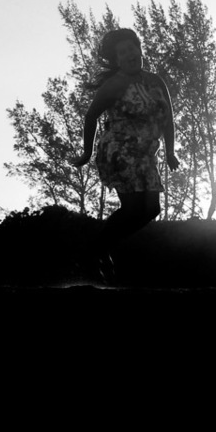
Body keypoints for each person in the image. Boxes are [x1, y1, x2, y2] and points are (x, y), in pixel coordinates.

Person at [70, 28, 180, 283]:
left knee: (151, 209)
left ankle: (100, 247)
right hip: (119, 150)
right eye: (123, 52)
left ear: (139, 50)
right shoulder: (115, 84)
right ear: (117, 59)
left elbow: (168, 119)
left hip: (146, 154)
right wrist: (87, 152)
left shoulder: (156, 81)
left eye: (132, 48)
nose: (129, 54)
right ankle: (93, 252)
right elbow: (91, 116)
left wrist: (171, 151)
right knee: (132, 208)